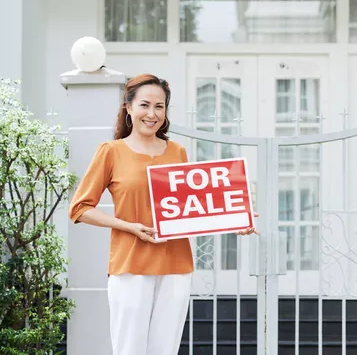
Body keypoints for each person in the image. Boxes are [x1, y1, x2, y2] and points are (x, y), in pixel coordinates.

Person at [68, 74, 257, 355]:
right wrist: (129, 226)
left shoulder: (177, 151)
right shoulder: (111, 151)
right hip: (131, 265)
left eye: (160, 106)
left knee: (165, 349)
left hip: (176, 265)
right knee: (130, 348)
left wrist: (235, 220)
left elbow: (192, 206)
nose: (152, 114)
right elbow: (80, 209)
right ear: (128, 107)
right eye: (145, 105)